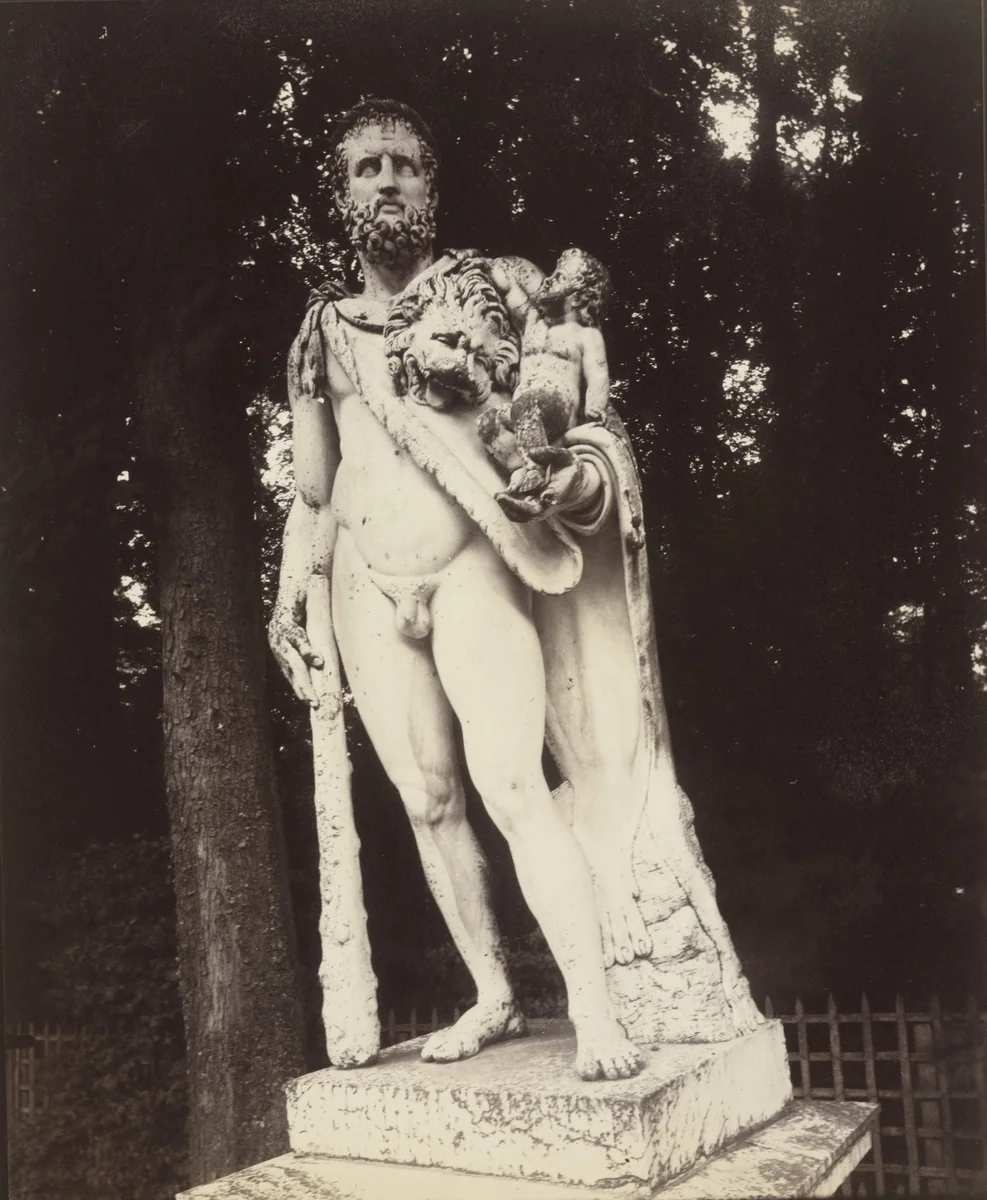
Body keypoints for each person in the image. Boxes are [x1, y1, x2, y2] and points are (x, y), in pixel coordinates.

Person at [269, 98, 762, 1082]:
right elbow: (314, 488)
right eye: (365, 167)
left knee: (510, 786)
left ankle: (595, 1011)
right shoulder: (320, 330)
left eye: (404, 163)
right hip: (367, 586)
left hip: (474, 567)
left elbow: (571, 405)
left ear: (432, 185)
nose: (386, 180)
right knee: (428, 799)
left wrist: (542, 448)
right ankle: (492, 993)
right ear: (342, 195)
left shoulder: (498, 284)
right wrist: (289, 593)